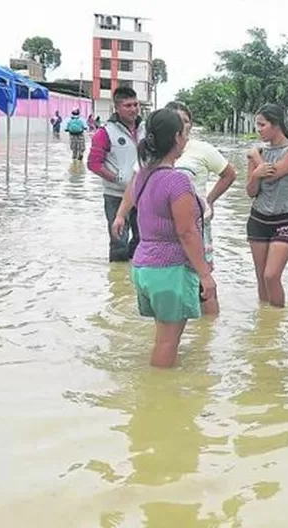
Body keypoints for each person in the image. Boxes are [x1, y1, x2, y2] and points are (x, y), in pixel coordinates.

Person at [113, 100, 238, 316]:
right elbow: (185, 231)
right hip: (172, 246)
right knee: (170, 333)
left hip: (160, 250)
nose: (184, 128)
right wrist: (120, 215)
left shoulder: (200, 151)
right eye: (178, 123)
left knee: (194, 297)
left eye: (186, 121)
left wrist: (207, 201)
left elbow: (229, 174)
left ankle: (206, 337)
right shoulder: (168, 175)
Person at [113, 108, 214, 368]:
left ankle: (157, 396)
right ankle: (158, 402)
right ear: (178, 138)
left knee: (162, 338)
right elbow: (186, 231)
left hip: (144, 267)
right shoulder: (176, 181)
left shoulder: (143, 176)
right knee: (168, 342)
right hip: (169, 270)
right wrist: (205, 274)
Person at [246, 103, 288, 308]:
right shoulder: (259, 151)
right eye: (257, 125)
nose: (258, 130)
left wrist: (256, 159)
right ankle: (266, 324)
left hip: (285, 218)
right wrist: (255, 173)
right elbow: (251, 191)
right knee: (261, 278)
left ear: (276, 124)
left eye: (262, 125)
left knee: (271, 276)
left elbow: (271, 176)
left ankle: (278, 321)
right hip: (258, 218)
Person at [87, 87, 145, 262]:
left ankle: (133, 279)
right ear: (117, 108)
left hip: (142, 195)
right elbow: (93, 164)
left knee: (142, 239)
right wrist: (118, 179)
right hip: (115, 196)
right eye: (128, 105)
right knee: (118, 241)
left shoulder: (146, 129)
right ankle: (117, 282)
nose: (133, 109)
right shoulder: (105, 133)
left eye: (136, 104)